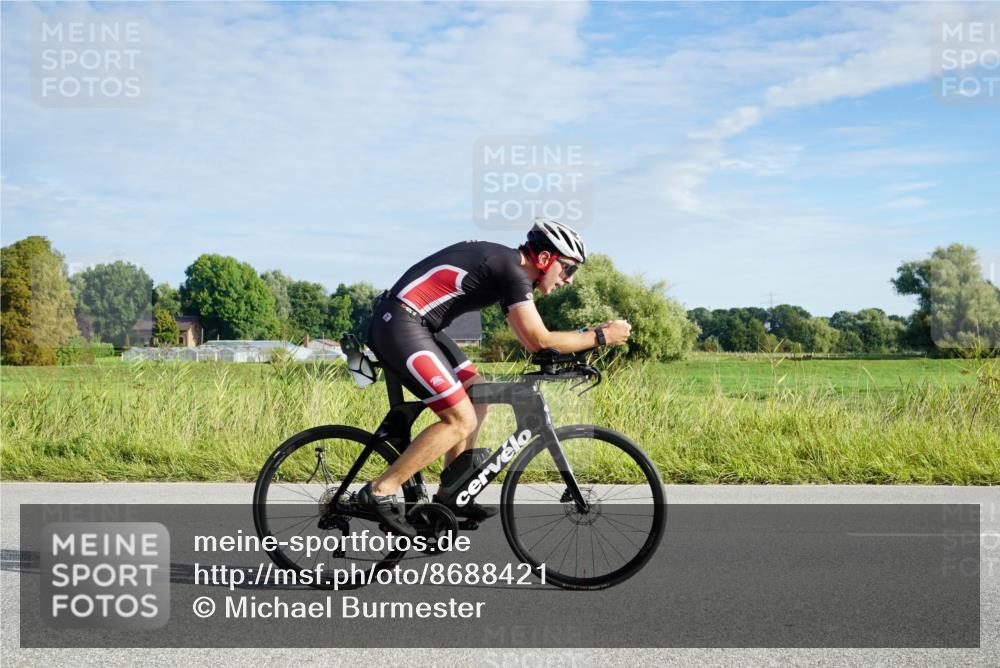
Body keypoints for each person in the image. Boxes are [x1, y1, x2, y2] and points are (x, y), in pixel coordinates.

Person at [357, 218, 632, 536]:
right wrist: (601, 336)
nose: (568, 280)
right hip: (399, 323)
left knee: (479, 394)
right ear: (545, 258)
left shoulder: (508, 270)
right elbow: (539, 341)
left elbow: (531, 342)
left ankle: (450, 496)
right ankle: (380, 490)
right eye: (568, 268)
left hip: (418, 326)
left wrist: (582, 342)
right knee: (459, 420)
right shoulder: (511, 270)